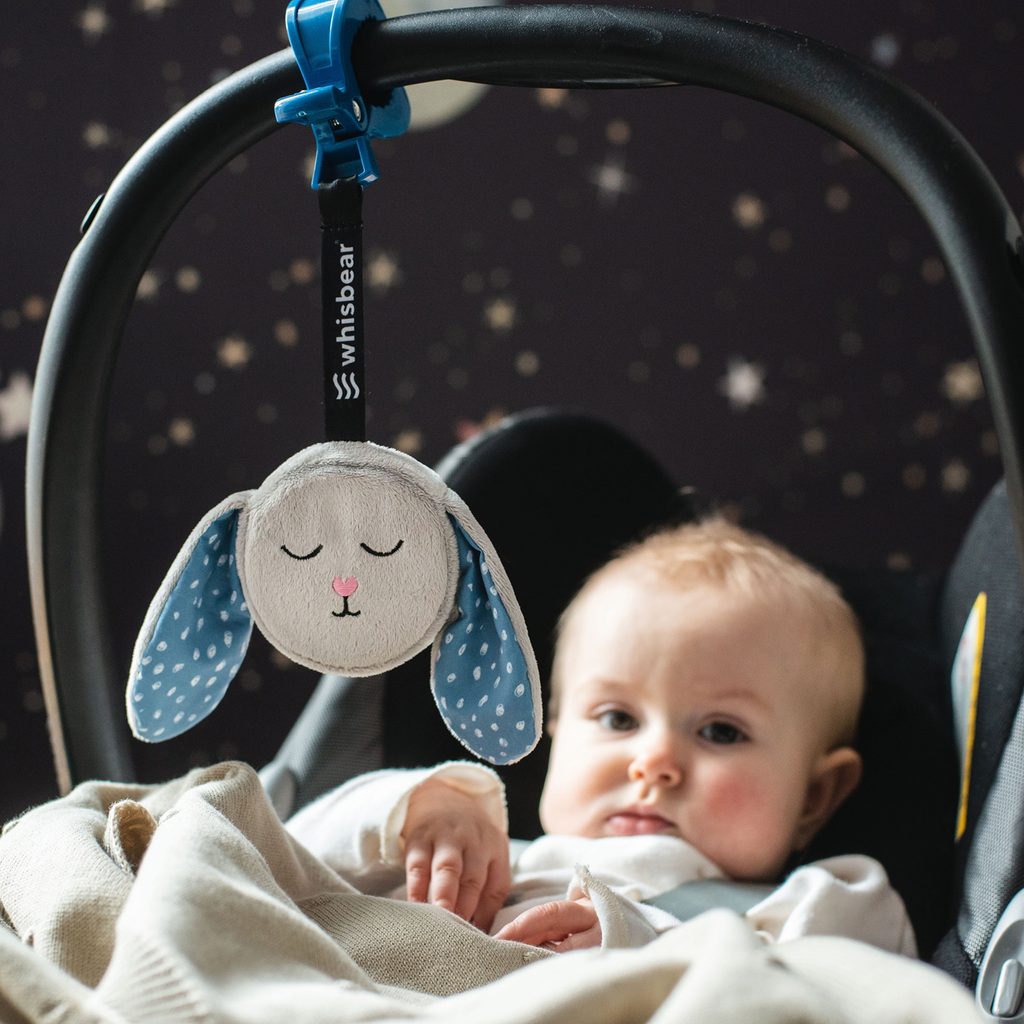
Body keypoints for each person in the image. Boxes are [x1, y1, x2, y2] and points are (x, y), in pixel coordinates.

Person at [286, 518, 915, 956]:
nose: (654, 762)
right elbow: (286, 857)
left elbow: (835, 996)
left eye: (721, 731)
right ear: (556, 736)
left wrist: (645, 941)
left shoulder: (824, 905)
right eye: (618, 719)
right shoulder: (494, 857)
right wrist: (421, 809)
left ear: (814, 796)